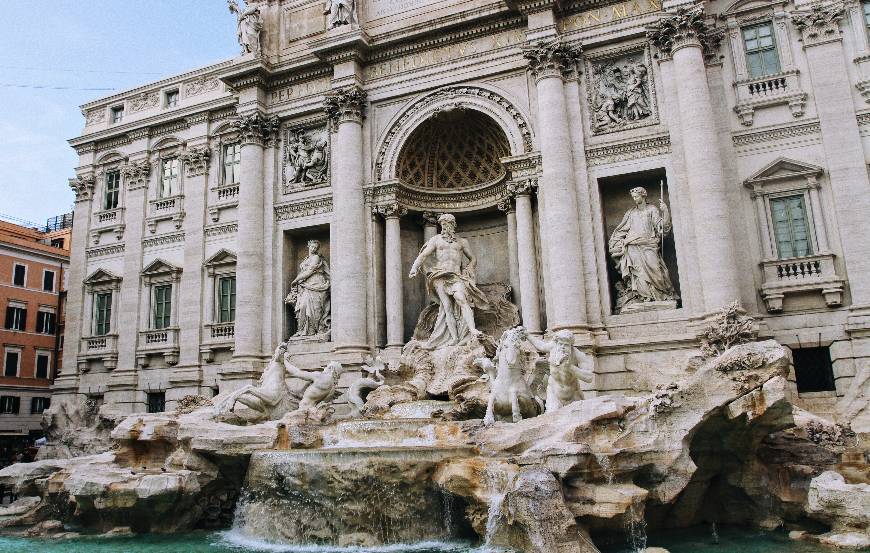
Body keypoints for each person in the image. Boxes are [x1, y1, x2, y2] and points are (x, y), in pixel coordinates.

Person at [409, 214, 488, 349]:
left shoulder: (462, 242)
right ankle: (454, 338)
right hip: (440, 275)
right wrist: (414, 268)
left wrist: (470, 267)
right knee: (447, 307)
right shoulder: (436, 240)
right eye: (444, 224)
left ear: (454, 225)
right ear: (441, 225)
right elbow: (423, 255)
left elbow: (473, 258)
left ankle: (472, 330)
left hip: (456, 276)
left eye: (449, 223)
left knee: (461, 299)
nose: (446, 226)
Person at [608, 187, 677, 313]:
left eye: (636, 196)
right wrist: (616, 242)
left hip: (649, 244)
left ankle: (660, 295)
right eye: (633, 197)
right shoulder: (630, 213)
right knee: (638, 273)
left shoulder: (652, 210)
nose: (634, 199)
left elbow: (662, 228)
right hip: (633, 246)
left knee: (655, 268)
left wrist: (665, 211)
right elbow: (621, 230)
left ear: (643, 196)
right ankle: (643, 297)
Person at [286, 240, 331, 337]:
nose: (314, 249)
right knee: (302, 306)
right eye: (312, 247)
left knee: (314, 308)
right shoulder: (305, 259)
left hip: (316, 283)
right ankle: (302, 330)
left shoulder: (316, 258)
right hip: (305, 284)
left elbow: (309, 272)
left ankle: (312, 331)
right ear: (308, 246)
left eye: (316, 248)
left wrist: (296, 280)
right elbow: (304, 272)